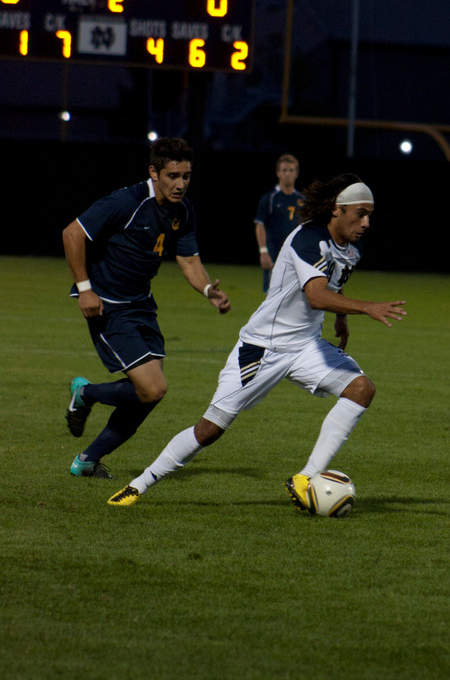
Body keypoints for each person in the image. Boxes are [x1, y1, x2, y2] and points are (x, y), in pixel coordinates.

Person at [107, 172, 406, 507]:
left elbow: (333, 284)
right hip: (262, 348)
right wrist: (368, 308)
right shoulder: (309, 239)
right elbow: (316, 296)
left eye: (370, 215)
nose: (366, 222)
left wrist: (342, 319)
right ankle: (139, 484)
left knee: (361, 389)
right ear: (337, 209)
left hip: (306, 346)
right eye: (360, 213)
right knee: (210, 429)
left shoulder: (352, 247)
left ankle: (305, 477)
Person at [62, 137, 230, 479]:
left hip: (142, 305)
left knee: (148, 396)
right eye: (172, 176)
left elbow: (188, 258)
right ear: (153, 172)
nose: (180, 184)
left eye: (186, 176)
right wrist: (85, 290)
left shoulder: (182, 211)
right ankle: (86, 392)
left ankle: (87, 461)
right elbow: (72, 234)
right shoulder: (126, 201)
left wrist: (208, 289)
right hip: (108, 306)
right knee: (153, 388)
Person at [254, 153, 305, 290]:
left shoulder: (302, 200)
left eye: (291, 170)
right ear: (278, 173)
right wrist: (263, 251)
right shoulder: (270, 198)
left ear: (296, 173)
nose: (287, 174)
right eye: (284, 170)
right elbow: (260, 225)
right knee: (272, 295)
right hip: (274, 255)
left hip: (297, 256)